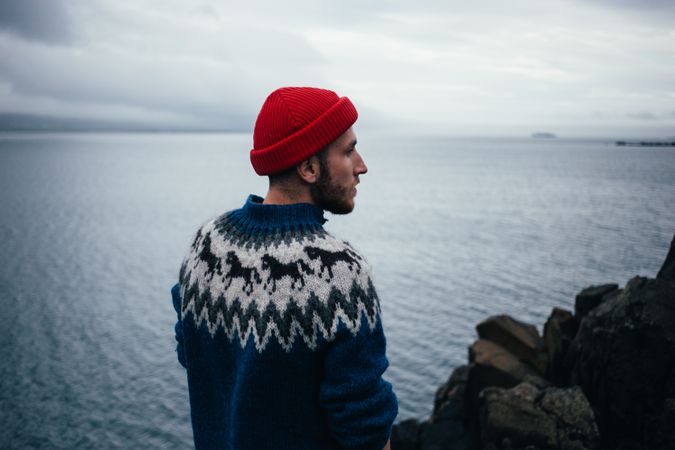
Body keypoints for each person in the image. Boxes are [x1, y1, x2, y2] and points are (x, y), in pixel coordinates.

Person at [171, 86, 398, 450]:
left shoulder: (207, 244)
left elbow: (193, 356)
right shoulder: (338, 273)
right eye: (349, 150)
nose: (362, 165)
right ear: (309, 168)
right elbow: (366, 429)